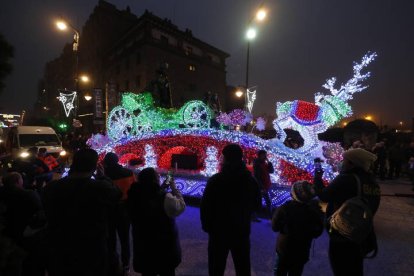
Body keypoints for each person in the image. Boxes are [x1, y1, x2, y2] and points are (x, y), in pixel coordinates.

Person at [43, 149, 122, 276]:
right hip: (92, 249)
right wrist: (103, 177)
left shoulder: (52, 188)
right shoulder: (100, 188)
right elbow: (117, 194)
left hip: (61, 248)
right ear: (95, 166)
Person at [313, 148, 380, 276]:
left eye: (344, 160)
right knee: (355, 268)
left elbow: (324, 196)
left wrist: (317, 177)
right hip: (361, 233)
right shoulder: (372, 181)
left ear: (352, 163)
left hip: (342, 234)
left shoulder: (346, 179)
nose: (342, 163)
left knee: (341, 269)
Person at [200, 144, 261, 276]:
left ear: (226, 158)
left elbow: (205, 206)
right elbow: (257, 204)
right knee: (243, 265)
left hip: (218, 231)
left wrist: (207, 226)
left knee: (216, 266)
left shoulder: (216, 180)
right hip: (241, 230)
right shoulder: (250, 180)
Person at [128, 168, 185, 276]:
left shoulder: (133, 194)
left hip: (143, 246)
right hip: (164, 248)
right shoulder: (166, 198)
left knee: (147, 271)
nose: (159, 177)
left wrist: (163, 186)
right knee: (167, 271)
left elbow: (150, 194)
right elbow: (181, 206)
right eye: (158, 176)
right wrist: (174, 189)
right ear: (154, 180)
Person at [271, 181, 323, 276]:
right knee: (296, 272)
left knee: (279, 271)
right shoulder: (313, 213)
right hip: (302, 251)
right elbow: (318, 232)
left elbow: (275, 227)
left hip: (284, 249)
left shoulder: (284, 209)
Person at [0, 172, 47, 276]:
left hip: (6, 232)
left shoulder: (2, 194)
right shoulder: (29, 194)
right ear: (18, 181)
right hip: (25, 235)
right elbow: (41, 212)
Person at [103, 152, 135, 276]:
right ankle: (126, 265)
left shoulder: (105, 175)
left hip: (109, 210)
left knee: (110, 239)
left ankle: (113, 264)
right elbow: (134, 190)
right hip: (124, 211)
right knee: (125, 239)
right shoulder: (128, 173)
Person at [253, 150, 274, 219]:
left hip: (265, 186)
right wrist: (261, 187)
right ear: (260, 155)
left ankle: (255, 215)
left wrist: (269, 163)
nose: (265, 157)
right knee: (261, 201)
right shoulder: (257, 163)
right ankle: (269, 217)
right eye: (264, 155)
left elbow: (271, 171)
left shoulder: (265, 163)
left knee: (260, 201)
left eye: (266, 155)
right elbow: (257, 176)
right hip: (261, 186)